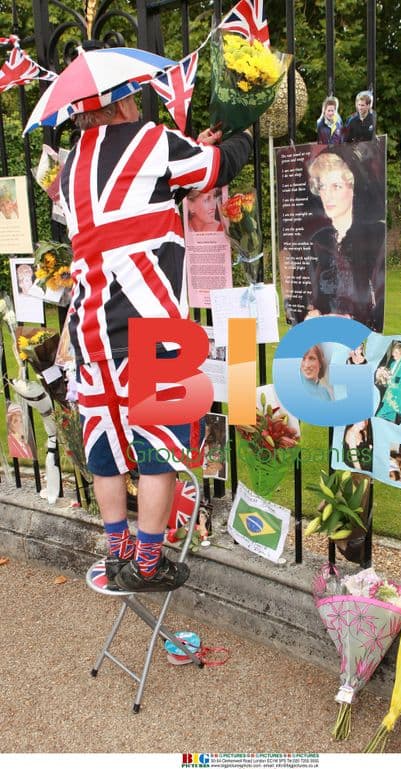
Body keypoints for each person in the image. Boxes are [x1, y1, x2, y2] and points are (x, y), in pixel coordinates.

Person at [59, 76, 252, 593]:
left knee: (104, 452)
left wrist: (188, 154)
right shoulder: (153, 141)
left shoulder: (69, 167)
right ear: (122, 101)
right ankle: (147, 562)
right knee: (157, 451)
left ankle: (117, 550)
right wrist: (244, 133)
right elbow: (217, 168)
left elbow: (133, 198)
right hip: (152, 329)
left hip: (92, 330)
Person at [305, 150, 385, 328]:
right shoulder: (318, 240)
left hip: (361, 337)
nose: (328, 195)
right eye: (323, 187)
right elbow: (308, 295)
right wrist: (312, 310)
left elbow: (379, 298)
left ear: (352, 188)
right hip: (323, 335)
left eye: (336, 186)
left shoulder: (376, 235)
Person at [375, 341, 401, 424]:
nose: (394, 354)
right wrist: (383, 379)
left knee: (379, 415)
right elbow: (388, 382)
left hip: (395, 398)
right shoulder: (392, 364)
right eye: (394, 351)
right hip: (389, 395)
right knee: (390, 420)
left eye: (397, 352)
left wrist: (389, 381)